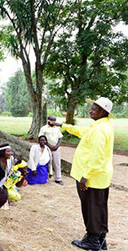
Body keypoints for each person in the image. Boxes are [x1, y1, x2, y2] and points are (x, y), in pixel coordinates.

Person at [50, 97, 114, 250]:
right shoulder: (101, 125)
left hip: (92, 177)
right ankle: (100, 238)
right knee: (99, 207)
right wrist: (62, 125)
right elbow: (82, 131)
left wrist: (85, 177)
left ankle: (92, 240)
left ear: (103, 112)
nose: (90, 110)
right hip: (100, 177)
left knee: (91, 207)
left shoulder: (99, 130)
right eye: (91, 107)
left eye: (94, 108)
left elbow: (96, 157)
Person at [39, 116, 64, 185]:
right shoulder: (44, 128)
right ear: (48, 121)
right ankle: (45, 177)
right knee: (45, 161)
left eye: (55, 121)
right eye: (52, 121)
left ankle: (58, 178)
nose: (54, 122)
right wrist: (49, 146)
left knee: (57, 162)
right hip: (46, 147)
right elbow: (41, 138)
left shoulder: (57, 128)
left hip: (56, 148)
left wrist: (57, 146)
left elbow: (60, 138)